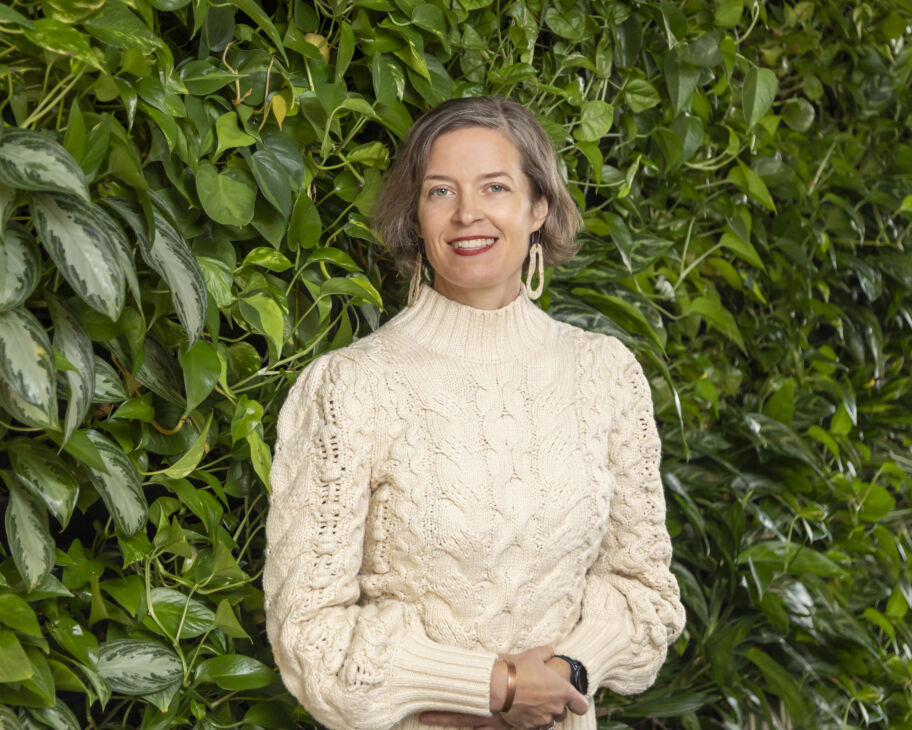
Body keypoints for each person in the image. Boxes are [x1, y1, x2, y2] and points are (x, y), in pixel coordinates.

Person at [263, 97, 685, 730]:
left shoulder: (606, 375)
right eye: (440, 191)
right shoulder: (351, 387)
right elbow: (310, 639)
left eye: (495, 186)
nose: (467, 214)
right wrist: (498, 685)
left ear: (538, 206)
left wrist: (568, 673)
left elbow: (645, 594)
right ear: (416, 214)